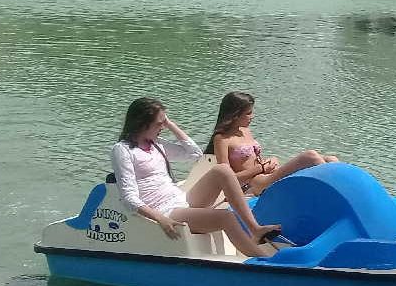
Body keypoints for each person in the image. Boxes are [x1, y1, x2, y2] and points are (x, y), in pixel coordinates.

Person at [112, 97, 280, 257]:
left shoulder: (157, 144)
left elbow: (194, 153)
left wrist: (171, 125)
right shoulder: (123, 150)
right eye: (159, 123)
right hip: (164, 211)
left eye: (164, 122)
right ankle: (266, 262)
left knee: (222, 170)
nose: (162, 127)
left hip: (181, 199)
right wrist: (160, 219)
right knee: (225, 217)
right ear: (142, 123)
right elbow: (129, 198)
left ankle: (255, 229)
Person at [206, 91, 339, 196]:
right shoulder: (222, 139)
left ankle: (342, 190)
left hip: (266, 176)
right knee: (310, 157)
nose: (252, 116)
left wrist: (268, 163)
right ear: (235, 115)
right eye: (248, 113)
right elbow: (226, 177)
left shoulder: (245, 131)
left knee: (331, 159)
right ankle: (338, 191)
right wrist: (261, 168)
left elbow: (254, 159)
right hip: (251, 184)